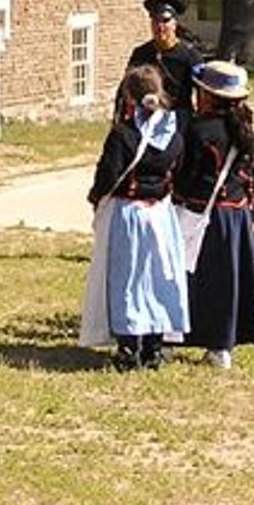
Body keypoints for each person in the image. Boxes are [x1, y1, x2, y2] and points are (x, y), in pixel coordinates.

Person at [81, 65, 188, 370]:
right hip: (161, 213)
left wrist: (95, 196)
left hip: (129, 213)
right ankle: (154, 347)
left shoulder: (123, 134)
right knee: (157, 279)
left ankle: (129, 348)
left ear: (130, 96)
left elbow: (108, 175)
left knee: (128, 279)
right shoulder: (173, 134)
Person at [175, 60, 254, 369]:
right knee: (230, 282)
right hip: (237, 215)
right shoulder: (249, 130)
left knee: (200, 282)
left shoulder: (199, 130)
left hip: (205, 215)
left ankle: (184, 336)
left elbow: (187, 177)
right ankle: (222, 345)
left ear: (210, 97)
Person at [123, 0, 204, 114]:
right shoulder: (141, 54)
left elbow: (202, 92)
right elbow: (127, 89)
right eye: (155, 21)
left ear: (175, 24)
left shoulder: (191, 55)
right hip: (147, 115)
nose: (160, 27)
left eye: (165, 21)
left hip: (179, 117)